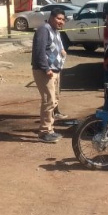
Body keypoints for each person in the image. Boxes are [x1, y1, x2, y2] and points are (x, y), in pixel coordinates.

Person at [31, 8, 67, 143]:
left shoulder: (55, 31)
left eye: (63, 19)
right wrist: (46, 68)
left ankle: (50, 129)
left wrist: (62, 53)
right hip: (45, 71)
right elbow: (39, 51)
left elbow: (56, 48)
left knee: (54, 100)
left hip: (55, 70)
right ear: (51, 17)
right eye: (58, 18)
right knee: (49, 100)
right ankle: (45, 132)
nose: (61, 22)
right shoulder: (43, 29)